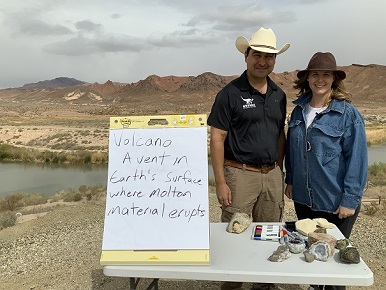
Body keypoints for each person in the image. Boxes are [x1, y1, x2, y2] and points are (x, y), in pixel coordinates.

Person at [207, 27, 290, 290]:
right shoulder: (230, 94)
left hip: (272, 175)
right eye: (257, 55)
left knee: (269, 234)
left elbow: (279, 135)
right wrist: (220, 182)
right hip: (240, 174)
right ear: (246, 56)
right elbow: (217, 138)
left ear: (275, 60)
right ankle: (232, 285)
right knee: (234, 236)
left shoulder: (279, 94)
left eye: (269, 56)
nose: (262, 61)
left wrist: (280, 169)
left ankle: (264, 284)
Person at [284, 52, 368, 290]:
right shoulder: (299, 111)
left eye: (326, 75)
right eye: (315, 74)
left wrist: (350, 200)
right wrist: (290, 180)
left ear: (334, 79)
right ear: (308, 78)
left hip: (335, 201)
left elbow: (358, 160)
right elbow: (292, 149)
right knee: (312, 249)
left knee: (333, 262)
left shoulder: (347, 114)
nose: (320, 79)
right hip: (303, 198)